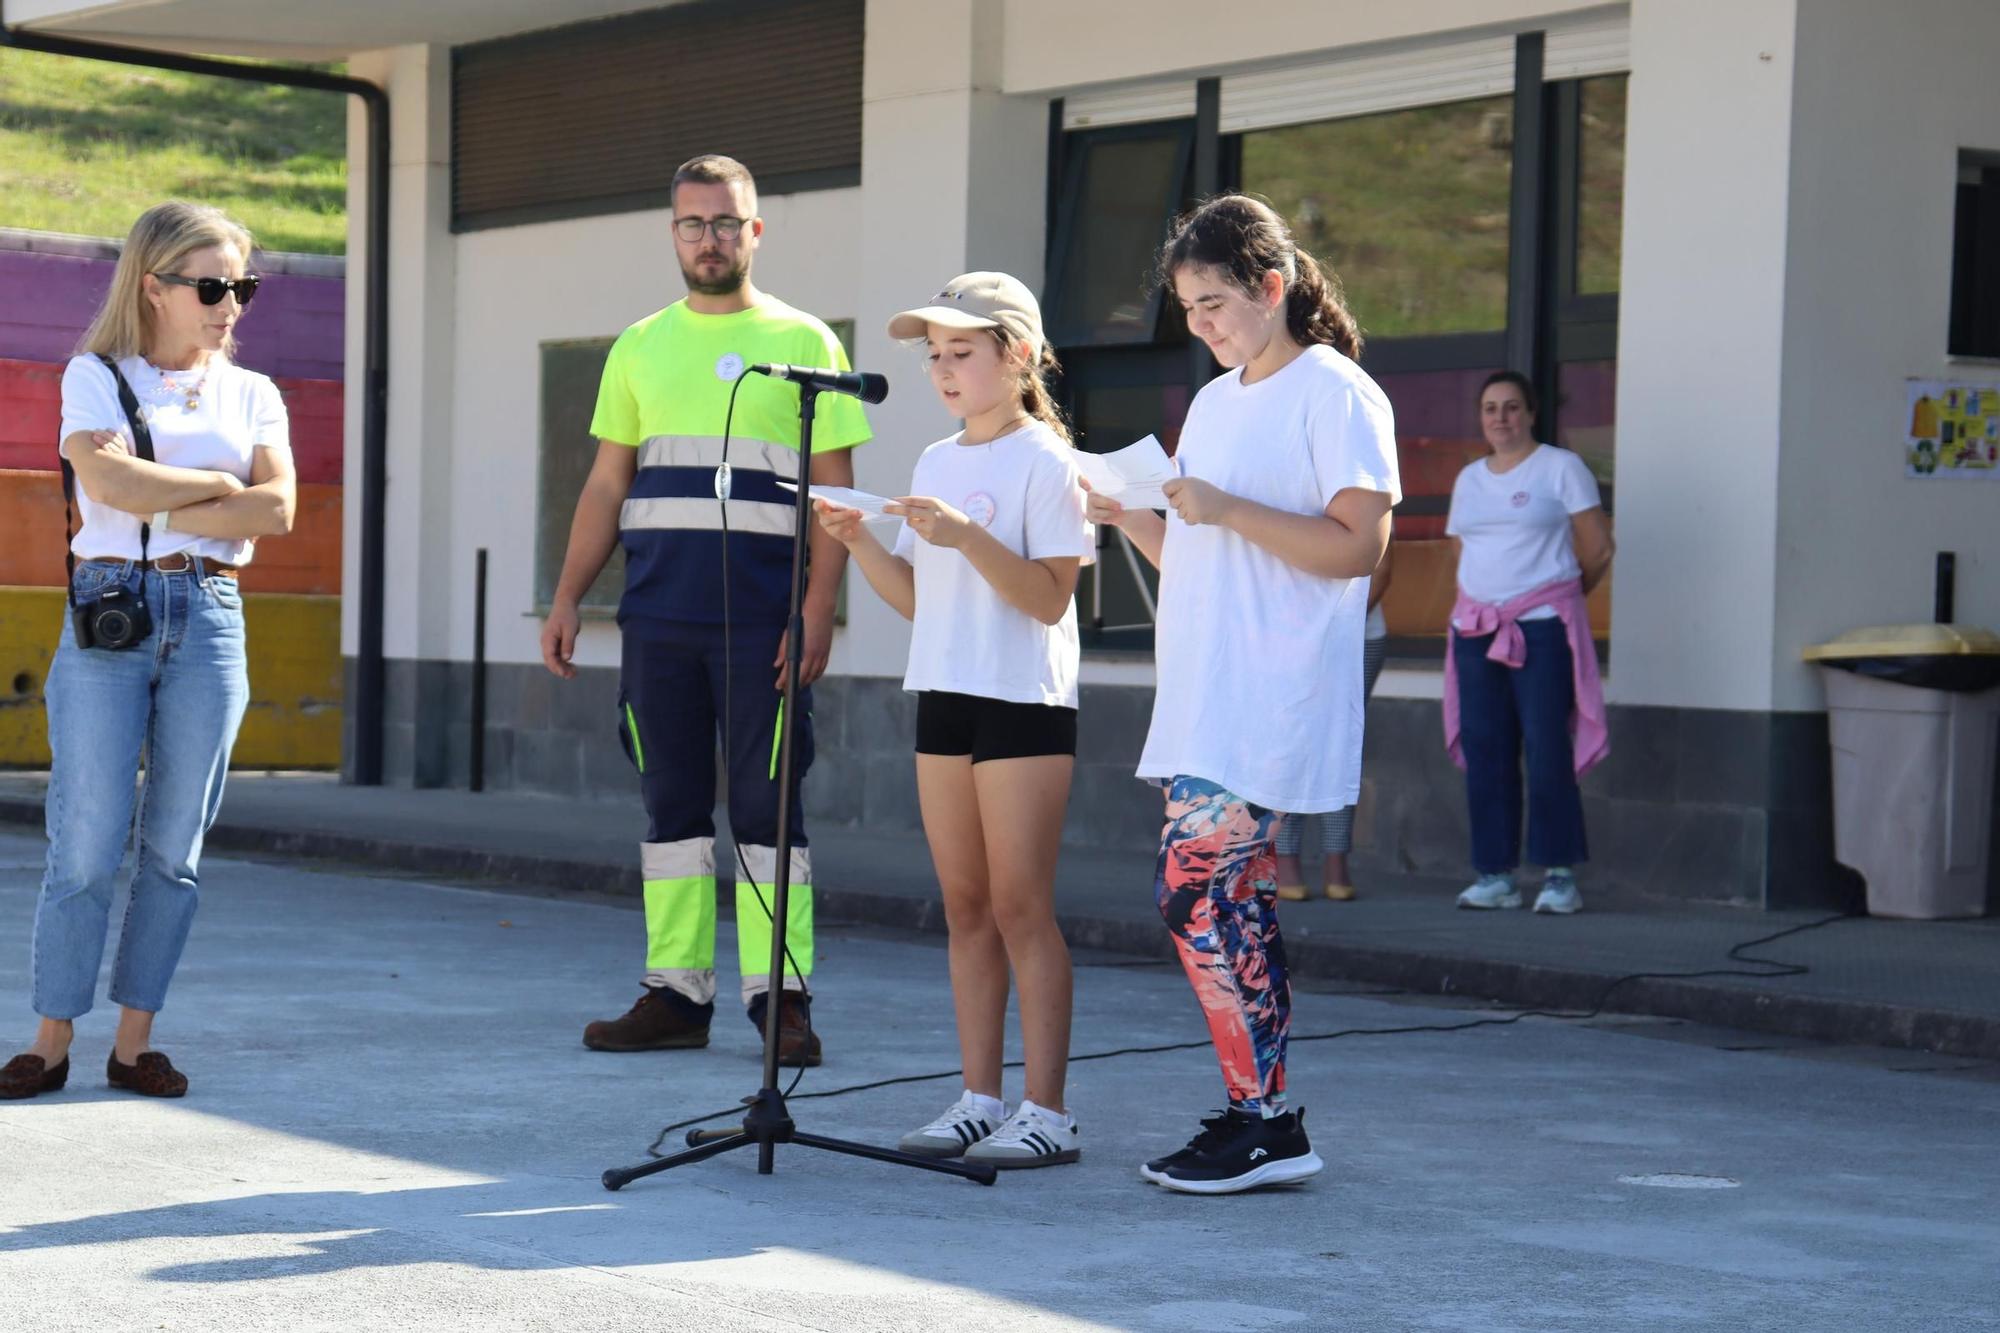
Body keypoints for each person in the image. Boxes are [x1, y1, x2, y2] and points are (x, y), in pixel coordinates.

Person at [1086, 196, 1400, 1194]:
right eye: (1186, 308)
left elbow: (1358, 549)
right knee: (1236, 902)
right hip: (1208, 687)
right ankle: (1261, 1116)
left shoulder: (1336, 393)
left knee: (1191, 896)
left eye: (1214, 301)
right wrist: (1131, 516)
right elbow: (1199, 555)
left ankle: (1260, 1116)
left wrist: (1225, 505)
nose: (1201, 325)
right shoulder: (1217, 401)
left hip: (1273, 688)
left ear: (1274, 287)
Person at [540, 155, 869, 1066]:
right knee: (672, 806)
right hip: (657, 622)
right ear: (672, 233)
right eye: (694, 223)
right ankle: (676, 994)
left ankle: (783, 999)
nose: (711, 239)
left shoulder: (808, 342)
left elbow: (836, 500)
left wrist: (817, 609)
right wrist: (569, 596)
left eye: (727, 222)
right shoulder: (639, 344)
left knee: (770, 809)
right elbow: (607, 484)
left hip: (764, 624)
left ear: (755, 231)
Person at [2, 201, 295, 1102]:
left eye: (240, 285)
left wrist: (157, 498)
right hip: (110, 612)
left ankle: (134, 1045)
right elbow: (106, 479)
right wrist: (217, 486)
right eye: (211, 286)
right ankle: (49, 1042)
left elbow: (278, 509)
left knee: (174, 847)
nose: (230, 305)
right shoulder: (94, 374)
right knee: (85, 842)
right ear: (153, 285)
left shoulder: (255, 392)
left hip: (210, 614)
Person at [816, 273, 1089, 1169]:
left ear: (1016, 355)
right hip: (944, 692)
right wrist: (858, 541)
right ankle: (979, 1096)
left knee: (1020, 906)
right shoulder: (936, 462)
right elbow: (917, 601)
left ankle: (1047, 1109)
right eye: (934, 355)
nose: (943, 369)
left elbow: (1048, 599)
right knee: (966, 906)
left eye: (960, 352)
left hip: (1024, 698)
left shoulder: (1048, 460)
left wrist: (967, 537)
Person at [1445, 371, 1613, 914]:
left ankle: (1559, 875)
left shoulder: (1561, 468)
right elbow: (1459, 552)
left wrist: (1554, 597)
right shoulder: (1469, 479)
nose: (1501, 418)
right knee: (1486, 749)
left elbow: (1598, 547)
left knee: (1546, 748)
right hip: (1477, 631)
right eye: (1491, 408)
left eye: (1512, 407)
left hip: (1541, 630)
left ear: (1531, 414)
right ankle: (1495, 875)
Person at [1274, 540, 1393, 901]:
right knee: (1291, 739)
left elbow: (1383, 569)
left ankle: (1336, 861)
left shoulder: (1363, 484)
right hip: (1289, 633)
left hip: (1360, 631)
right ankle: (1285, 857)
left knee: (1342, 741)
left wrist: (1339, 620)